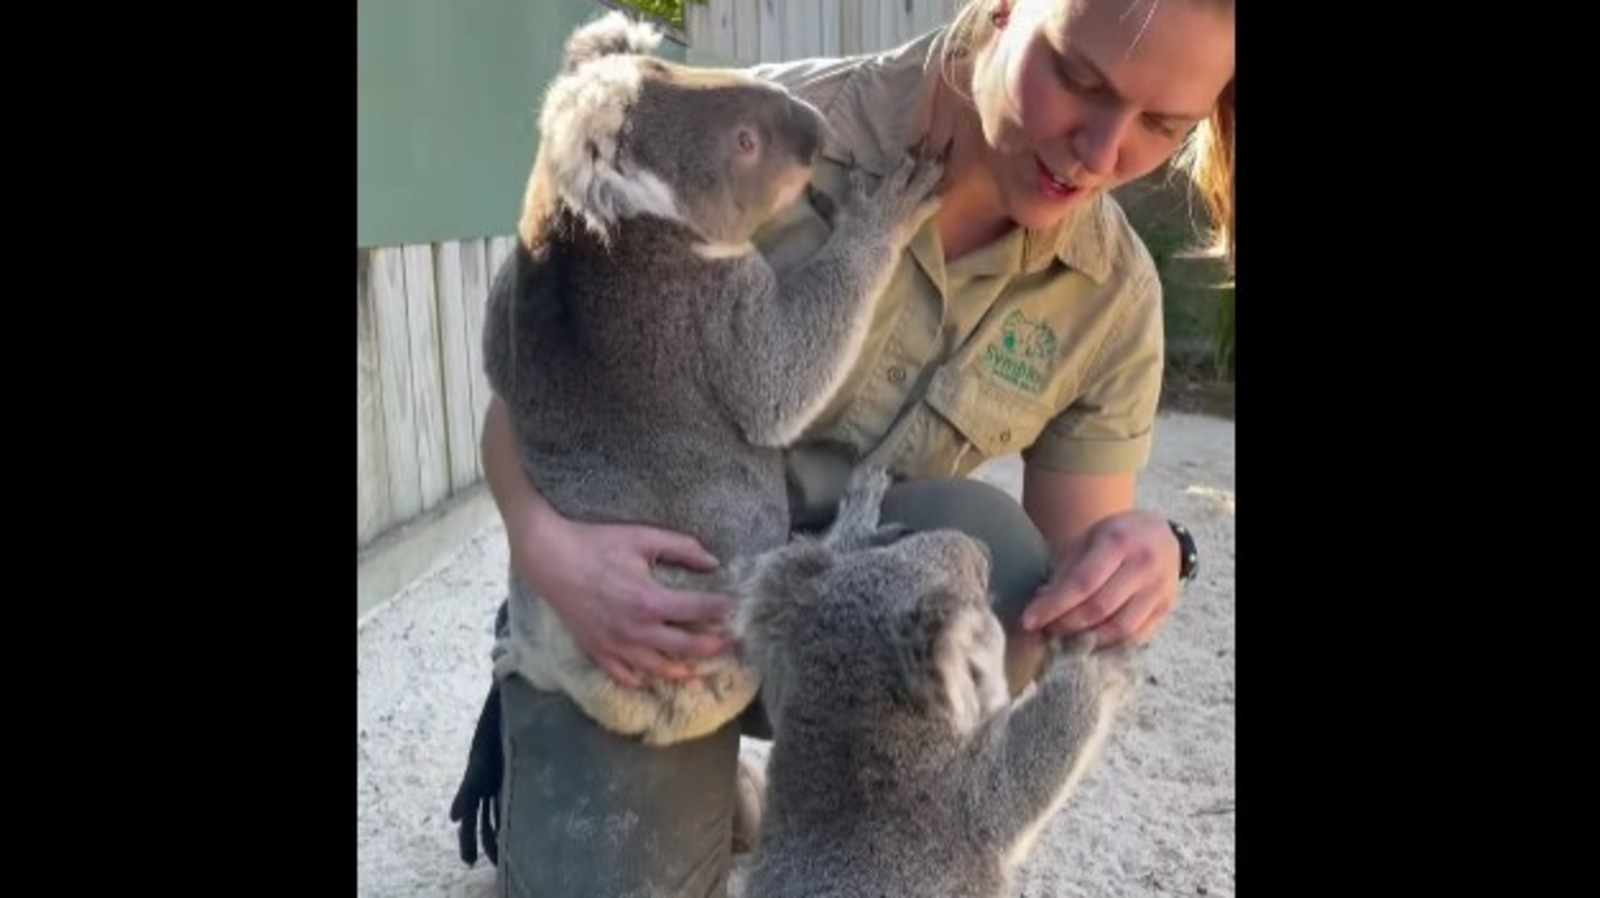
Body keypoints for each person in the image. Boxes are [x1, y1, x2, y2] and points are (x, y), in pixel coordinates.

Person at [448, 0, 1233, 894]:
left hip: (840, 614)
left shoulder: (1114, 297)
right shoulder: (745, 136)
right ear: (1006, 11)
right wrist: (551, 553)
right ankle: (590, 737)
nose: (1100, 152)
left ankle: (840, 817)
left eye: (1164, 126)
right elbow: (538, 399)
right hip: (655, 606)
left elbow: (1069, 585)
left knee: (1013, 570)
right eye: (1079, 79)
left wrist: (1153, 554)